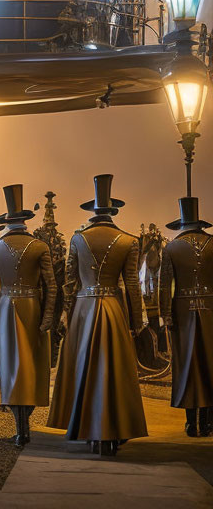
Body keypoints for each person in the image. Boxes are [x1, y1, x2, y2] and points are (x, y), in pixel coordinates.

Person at [47, 174, 147, 455]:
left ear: (91, 210)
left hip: (83, 309)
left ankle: (86, 427)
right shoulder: (129, 240)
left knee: (84, 369)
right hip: (113, 308)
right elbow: (132, 286)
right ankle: (114, 427)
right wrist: (136, 321)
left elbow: (69, 283)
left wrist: (66, 317)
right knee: (113, 370)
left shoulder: (78, 240)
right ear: (114, 210)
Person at [0, 185, 57, 447]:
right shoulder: (40, 246)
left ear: (6, 221)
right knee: (34, 367)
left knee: (11, 367)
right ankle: (27, 420)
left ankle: (20, 428)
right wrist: (47, 317)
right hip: (32, 307)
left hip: (6, 309)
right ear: (25, 220)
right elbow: (52, 285)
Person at [159, 196, 213, 438]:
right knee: (210, 363)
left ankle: (191, 423)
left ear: (180, 223)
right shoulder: (212, 243)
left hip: (182, 311)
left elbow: (164, 286)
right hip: (211, 308)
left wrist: (166, 315)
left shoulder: (170, 248)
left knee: (187, 366)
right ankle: (209, 421)